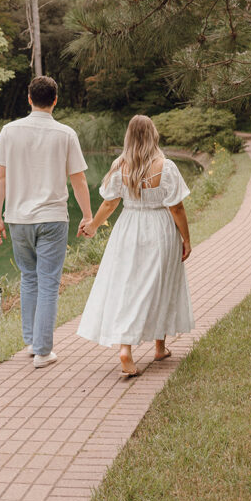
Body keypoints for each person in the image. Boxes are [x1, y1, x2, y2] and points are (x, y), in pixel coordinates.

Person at [78, 114, 194, 377]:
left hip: (128, 229)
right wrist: (186, 238)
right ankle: (150, 347)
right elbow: (176, 207)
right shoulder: (166, 166)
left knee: (131, 285)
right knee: (160, 282)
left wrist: (93, 226)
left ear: (128, 136)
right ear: (153, 134)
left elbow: (110, 203)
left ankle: (138, 348)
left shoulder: (120, 166)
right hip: (160, 230)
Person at [0, 76, 92, 368]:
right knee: (48, 282)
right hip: (52, 218)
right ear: (56, 100)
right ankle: (44, 351)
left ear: (29, 98)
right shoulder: (66, 134)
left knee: (29, 277)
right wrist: (87, 216)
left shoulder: (9, 131)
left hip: (18, 219)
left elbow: (0, 176)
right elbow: (78, 179)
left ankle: (33, 343)